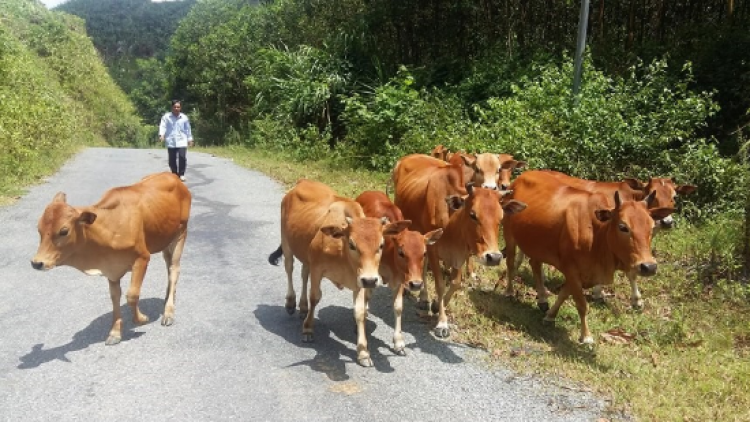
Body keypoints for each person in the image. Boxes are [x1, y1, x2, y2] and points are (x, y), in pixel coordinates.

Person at [158, 100, 194, 181]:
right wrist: (162, 135)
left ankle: (181, 174)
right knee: (172, 160)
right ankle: (174, 174)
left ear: (180, 108)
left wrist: (190, 139)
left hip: (182, 140)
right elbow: (163, 126)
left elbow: (188, 129)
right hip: (171, 141)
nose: (176, 108)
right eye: (175, 107)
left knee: (182, 157)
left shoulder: (184, 117)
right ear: (172, 107)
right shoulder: (166, 117)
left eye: (178, 107)